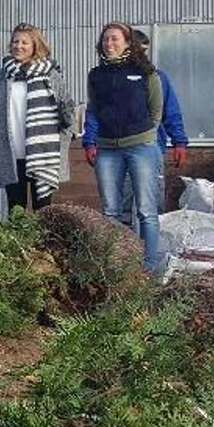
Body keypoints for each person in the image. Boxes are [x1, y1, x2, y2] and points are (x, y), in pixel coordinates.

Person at [85, 22, 165, 273]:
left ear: (128, 43)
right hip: (107, 149)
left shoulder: (145, 72)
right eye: (105, 39)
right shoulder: (96, 75)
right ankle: (117, 268)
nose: (109, 43)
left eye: (115, 39)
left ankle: (148, 268)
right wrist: (93, 140)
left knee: (146, 211)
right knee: (111, 212)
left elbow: (156, 109)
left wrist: (145, 133)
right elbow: (94, 108)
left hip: (141, 147)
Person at [83, 30, 187, 216]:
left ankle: (152, 235)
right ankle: (125, 234)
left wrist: (179, 142)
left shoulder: (155, 77)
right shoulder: (106, 78)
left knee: (150, 203)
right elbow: (96, 112)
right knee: (122, 200)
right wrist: (90, 141)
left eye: (145, 50)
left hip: (150, 147)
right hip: (116, 148)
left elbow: (169, 111)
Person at [0, 23, 72, 213]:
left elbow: (67, 108)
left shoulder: (50, 74)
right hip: (12, 153)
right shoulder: (2, 75)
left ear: (35, 46)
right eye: (15, 42)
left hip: (43, 153)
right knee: (16, 210)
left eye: (24, 42)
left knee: (43, 211)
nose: (18, 46)